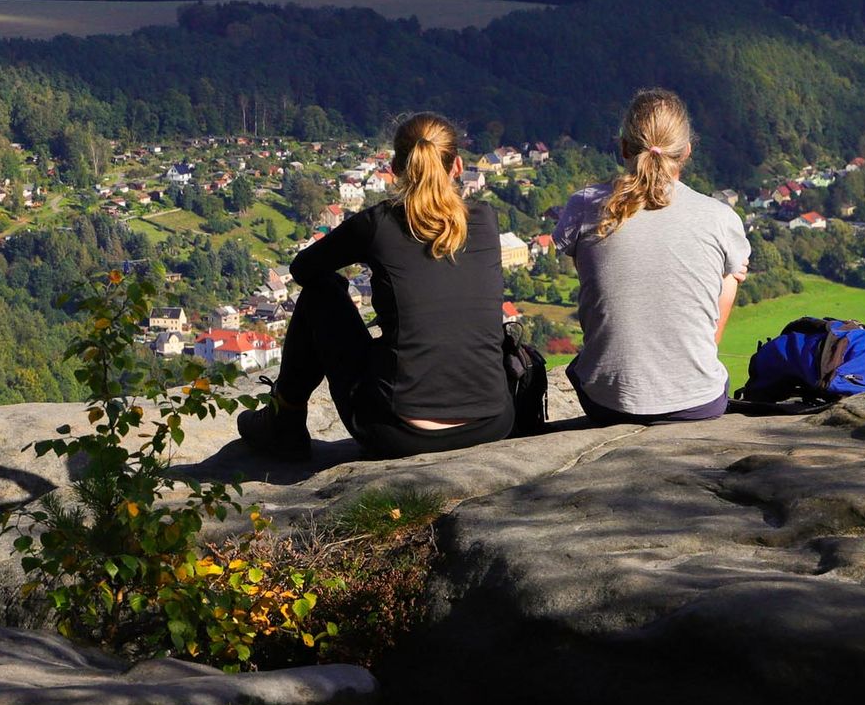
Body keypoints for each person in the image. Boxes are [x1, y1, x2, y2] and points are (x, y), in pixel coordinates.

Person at [235, 112, 513, 462]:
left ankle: (284, 418)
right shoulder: (485, 218)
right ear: (457, 166)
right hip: (492, 422)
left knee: (323, 291)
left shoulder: (378, 223)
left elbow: (303, 270)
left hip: (399, 433)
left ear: (395, 168)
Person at [552, 88, 749, 425]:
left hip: (609, 401)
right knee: (733, 270)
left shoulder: (584, 204)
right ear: (686, 151)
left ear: (623, 147)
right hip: (700, 402)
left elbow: (590, 274)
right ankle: (697, 362)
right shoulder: (719, 216)